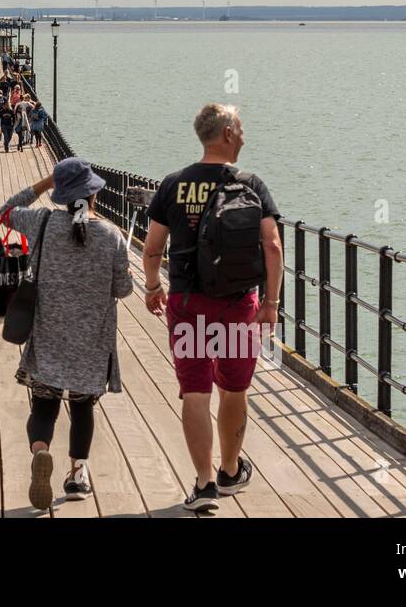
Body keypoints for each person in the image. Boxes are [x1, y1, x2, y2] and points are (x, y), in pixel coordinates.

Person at [141, 103, 283, 512]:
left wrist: (153, 288)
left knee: (196, 392)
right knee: (234, 389)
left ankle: (203, 484)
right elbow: (272, 246)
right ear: (225, 133)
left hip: (188, 304)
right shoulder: (251, 184)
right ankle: (230, 469)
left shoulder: (173, 184)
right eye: (240, 129)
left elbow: (152, 250)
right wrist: (270, 303)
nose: (244, 136)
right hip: (239, 305)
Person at [0, 159, 134, 510]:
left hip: (48, 335)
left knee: (44, 404)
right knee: (82, 406)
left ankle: (40, 451)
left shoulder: (41, 222)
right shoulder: (110, 235)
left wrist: (44, 184)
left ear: (61, 194)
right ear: (92, 193)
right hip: (92, 341)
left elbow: (6, 210)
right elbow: (122, 290)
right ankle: (77, 474)